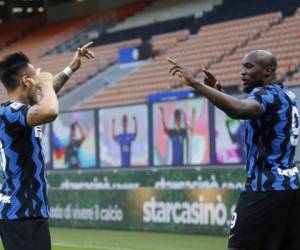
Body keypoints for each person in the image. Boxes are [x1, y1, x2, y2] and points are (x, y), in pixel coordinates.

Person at [167, 50, 300, 250]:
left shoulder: (264, 95)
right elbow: (252, 109)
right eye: (242, 67)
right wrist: (219, 92)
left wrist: (196, 84)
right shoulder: (287, 95)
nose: (242, 72)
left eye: (249, 67)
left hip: (265, 188)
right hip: (292, 186)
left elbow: (239, 110)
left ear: (268, 71)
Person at [0, 42, 94, 250]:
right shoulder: (12, 112)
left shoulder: (22, 112)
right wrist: (45, 83)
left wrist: (70, 69)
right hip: (22, 213)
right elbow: (50, 110)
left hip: (25, 212)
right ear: (26, 81)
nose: (40, 78)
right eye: (36, 76)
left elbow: (45, 99)